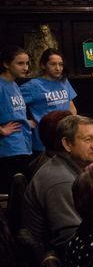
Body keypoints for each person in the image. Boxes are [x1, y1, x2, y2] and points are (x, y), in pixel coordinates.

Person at [23, 115, 93, 250]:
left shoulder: (65, 168)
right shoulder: (61, 181)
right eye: (88, 139)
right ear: (67, 144)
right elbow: (71, 240)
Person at [21, 48, 77, 155]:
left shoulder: (63, 81)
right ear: (43, 65)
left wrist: (73, 125)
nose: (58, 68)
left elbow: (71, 106)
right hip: (43, 142)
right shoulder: (33, 86)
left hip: (65, 137)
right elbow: (11, 104)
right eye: (53, 64)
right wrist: (25, 121)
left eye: (60, 64)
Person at [0, 45, 33, 191]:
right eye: (20, 63)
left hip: (24, 145)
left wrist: (26, 122)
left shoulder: (14, 85)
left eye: (27, 63)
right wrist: (1, 130)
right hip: (8, 149)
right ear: (6, 64)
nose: (25, 67)